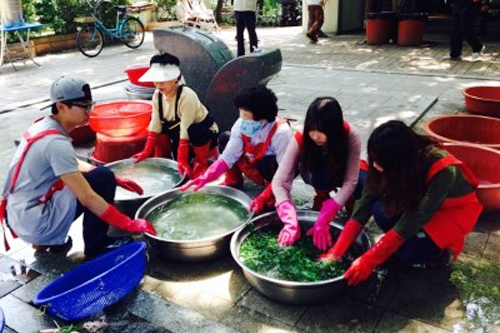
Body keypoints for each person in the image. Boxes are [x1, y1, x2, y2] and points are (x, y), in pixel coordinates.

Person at [0, 76, 157, 257]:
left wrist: (116, 178)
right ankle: (97, 246)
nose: (89, 112)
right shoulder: (55, 143)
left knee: (100, 174)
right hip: (36, 222)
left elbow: (70, 162)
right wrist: (129, 224)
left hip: (20, 215)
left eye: (90, 105)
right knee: (102, 179)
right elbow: (87, 198)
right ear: (61, 107)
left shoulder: (43, 126)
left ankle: (41, 241)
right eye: (84, 107)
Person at [321, 120, 483, 286]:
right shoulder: (386, 159)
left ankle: (439, 253)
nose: (375, 165)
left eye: (380, 163)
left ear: (399, 164)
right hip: (416, 200)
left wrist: (370, 259)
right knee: (380, 210)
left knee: (410, 251)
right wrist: (336, 252)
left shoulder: (444, 170)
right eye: (374, 159)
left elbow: (415, 217)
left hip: (451, 211)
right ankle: (401, 243)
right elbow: (365, 204)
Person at [181, 86, 293, 214]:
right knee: (225, 138)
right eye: (241, 114)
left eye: (245, 115)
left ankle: (271, 195)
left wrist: (262, 198)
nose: (241, 119)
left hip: (272, 173)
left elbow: (285, 173)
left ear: (262, 119)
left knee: (268, 163)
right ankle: (233, 181)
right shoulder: (242, 124)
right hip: (250, 164)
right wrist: (205, 177)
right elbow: (228, 156)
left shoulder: (282, 133)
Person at [272, 97, 362, 250]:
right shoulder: (300, 138)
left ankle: (351, 206)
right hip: (318, 173)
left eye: (321, 132)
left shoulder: (351, 135)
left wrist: (332, 208)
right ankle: (321, 197)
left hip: (341, 170)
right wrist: (289, 217)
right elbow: (279, 181)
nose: (315, 136)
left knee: (363, 182)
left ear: (334, 130)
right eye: (311, 130)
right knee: (321, 179)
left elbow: (350, 181)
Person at [133, 53, 219, 179]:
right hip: (177, 132)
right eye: (156, 80)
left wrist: (182, 159)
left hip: (201, 134)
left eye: (163, 80)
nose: (159, 84)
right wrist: (146, 151)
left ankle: (201, 164)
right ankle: (163, 160)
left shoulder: (187, 96)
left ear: (176, 78)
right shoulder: (157, 95)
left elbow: (186, 128)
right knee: (154, 122)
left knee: (195, 130)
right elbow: (155, 124)